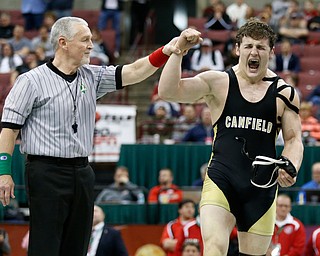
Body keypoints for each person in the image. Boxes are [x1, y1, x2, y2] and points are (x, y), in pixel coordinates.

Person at [0, 16, 186, 256]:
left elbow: (134, 72)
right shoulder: (30, 81)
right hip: (46, 171)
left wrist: (166, 51)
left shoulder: (92, 75)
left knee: (77, 245)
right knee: (45, 245)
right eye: (85, 40)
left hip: (82, 172)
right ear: (63, 42)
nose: (91, 45)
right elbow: (9, 129)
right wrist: (4, 171)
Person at [158, 18, 303, 255]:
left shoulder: (283, 92)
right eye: (248, 46)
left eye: (260, 47)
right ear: (237, 49)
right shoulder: (219, 82)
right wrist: (178, 51)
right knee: (214, 247)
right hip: (222, 179)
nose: (253, 52)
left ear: (271, 52)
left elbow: (294, 139)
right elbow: (167, 91)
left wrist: (291, 164)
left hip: (260, 188)